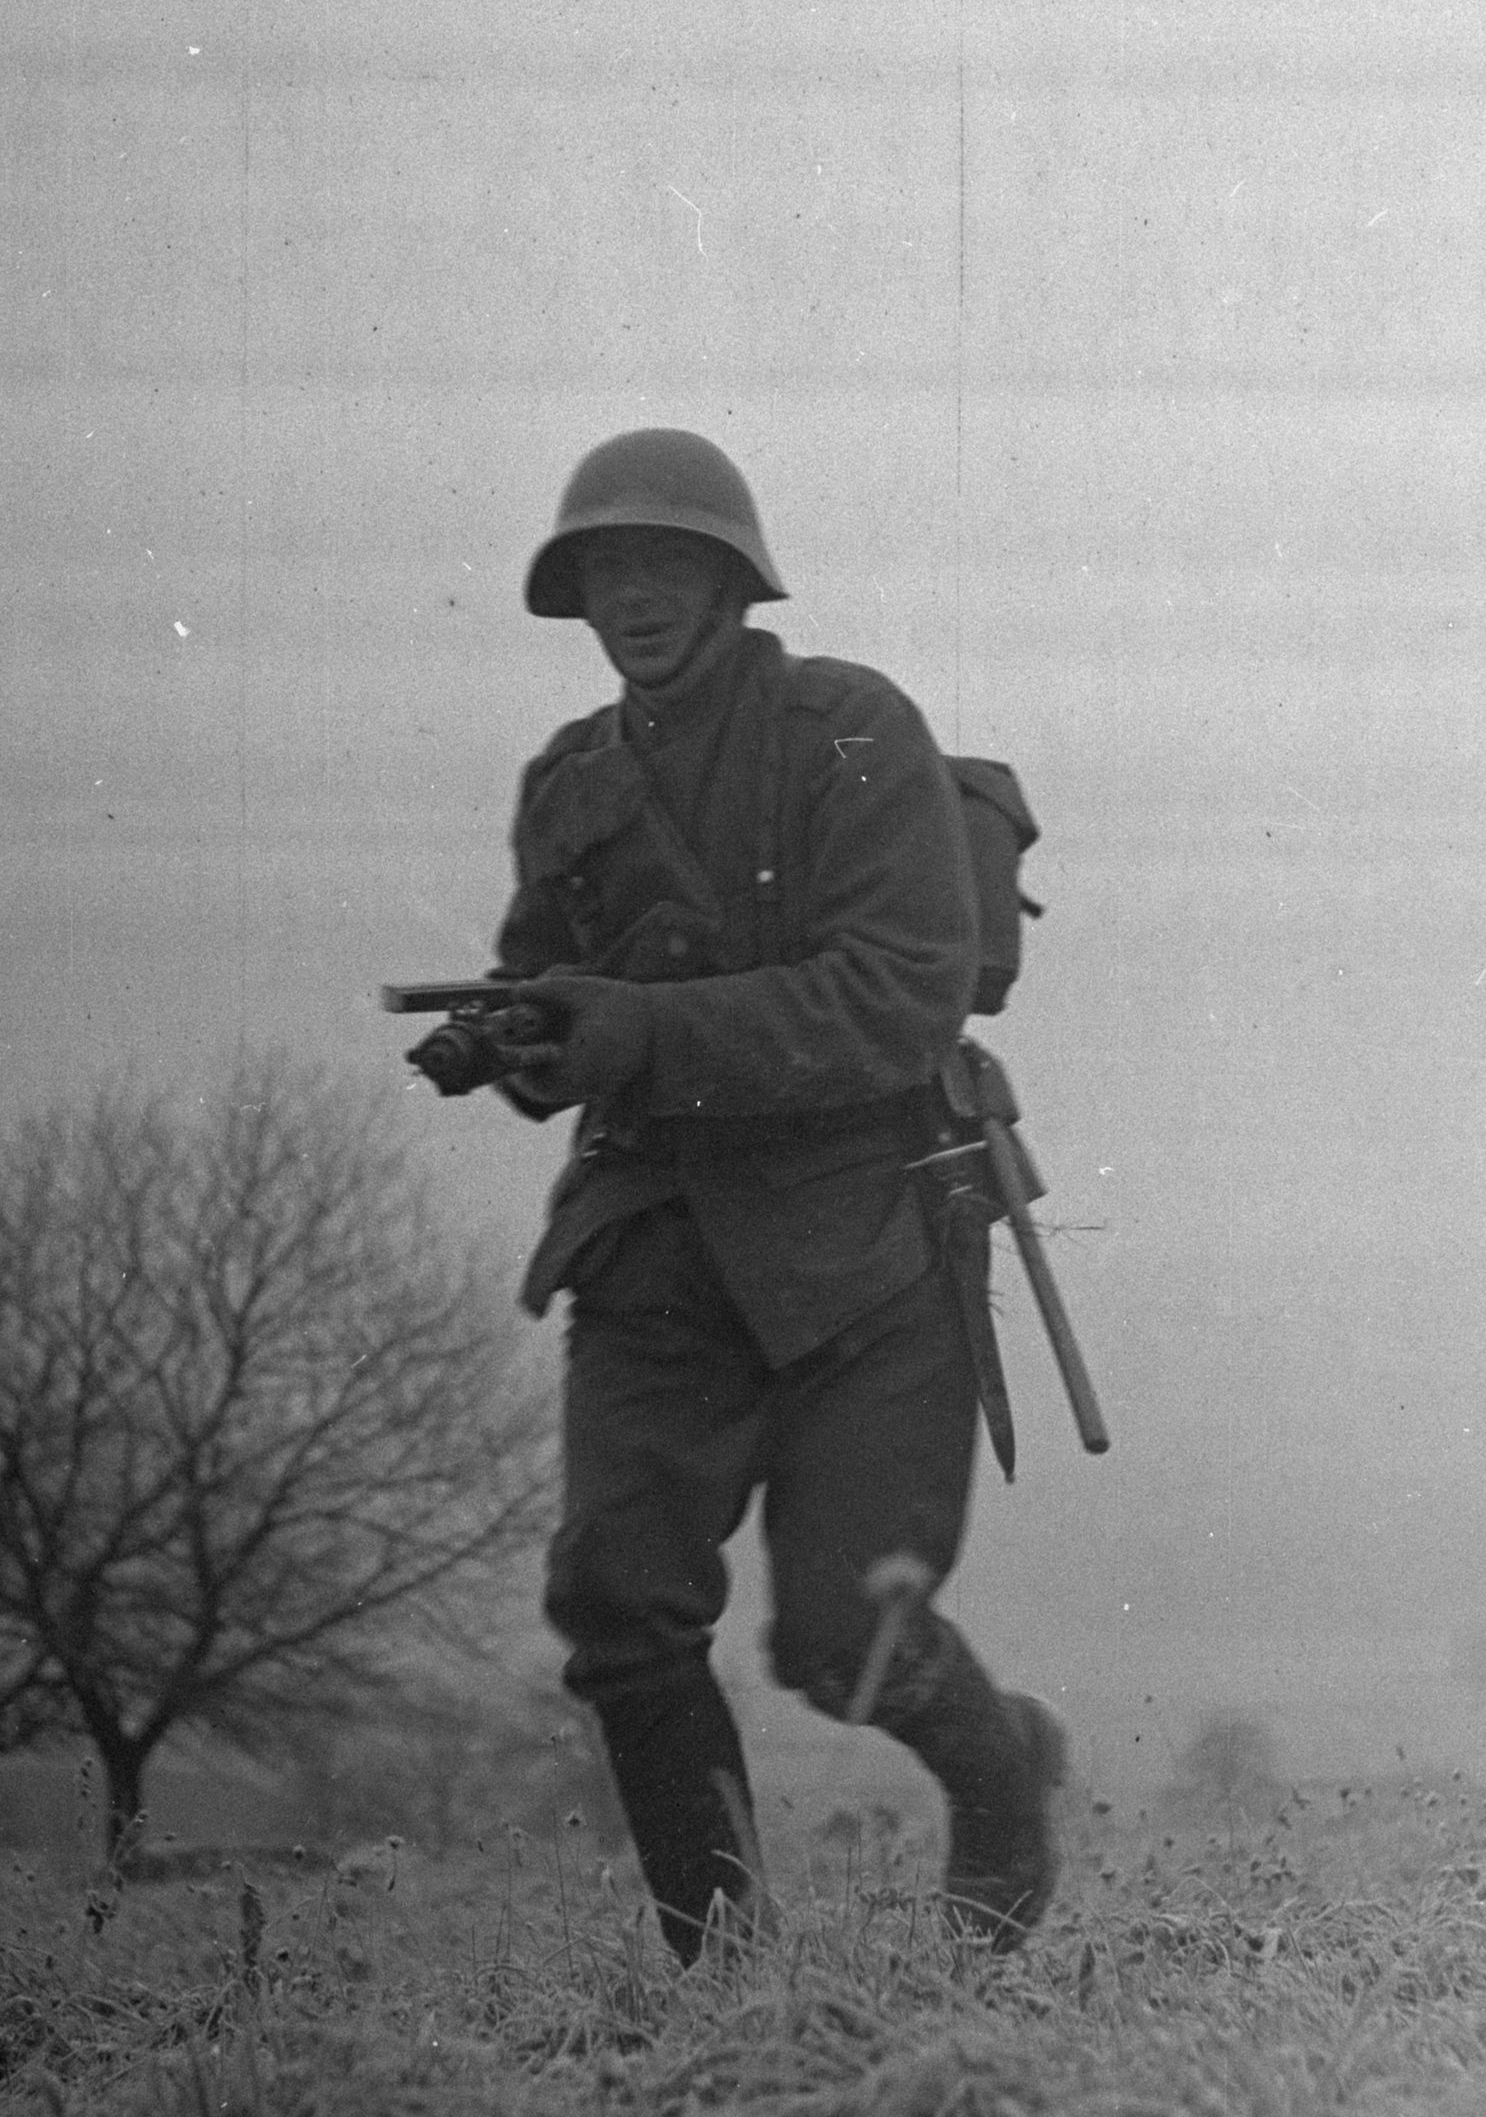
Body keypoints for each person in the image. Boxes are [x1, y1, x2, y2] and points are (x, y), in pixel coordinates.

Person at [443, 426, 1069, 1963]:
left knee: (845, 1639)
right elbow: (555, 988)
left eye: (668, 563)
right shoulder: (570, 782)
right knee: (618, 1606)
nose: (636, 596)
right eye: (607, 569)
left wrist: (641, 1032)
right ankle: (727, 1972)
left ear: (733, 581)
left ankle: (1003, 1767)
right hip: (655, 1246)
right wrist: (516, 1040)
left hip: (866, 1249)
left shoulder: (852, 729)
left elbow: (901, 995)